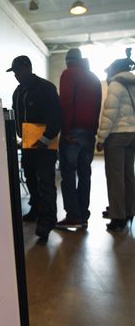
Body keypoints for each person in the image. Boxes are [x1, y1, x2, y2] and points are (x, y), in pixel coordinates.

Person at [7, 55, 61, 240]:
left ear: (28, 68)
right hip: (28, 142)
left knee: (46, 181)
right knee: (30, 177)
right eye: (14, 73)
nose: (16, 76)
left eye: (18, 71)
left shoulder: (46, 88)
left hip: (46, 143)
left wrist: (45, 138)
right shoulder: (18, 91)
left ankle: (47, 220)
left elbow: (56, 115)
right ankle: (36, 208)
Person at [55, 48, 102, 229]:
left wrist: (65, 130)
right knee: (85, 174)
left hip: (73, 132)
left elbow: (66, 104)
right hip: (89, 133)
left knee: (68, 174)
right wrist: (94, 130)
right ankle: (83, 214)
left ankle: (73, 216)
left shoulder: (68, 74)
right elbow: (97, 106)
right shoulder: (94, 78)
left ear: (68, 60)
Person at [96, 58, 135, 231]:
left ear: (115, 70)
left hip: (117, 135)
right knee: (128, 175)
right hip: (132, 134)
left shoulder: (115, 86)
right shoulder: (132, 85)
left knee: (115, 178)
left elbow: (109, 114)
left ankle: (118, 217)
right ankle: (129, 211)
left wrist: (101, 138)